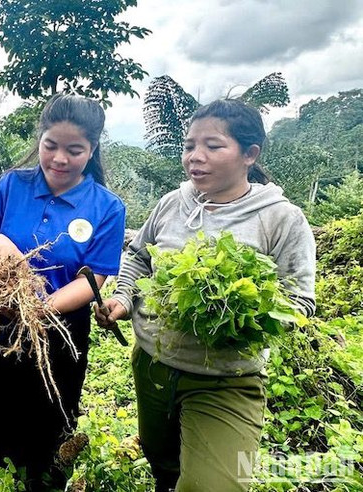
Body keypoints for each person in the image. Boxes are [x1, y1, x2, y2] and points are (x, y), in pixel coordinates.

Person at [95, 99, 316, 491]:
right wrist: (124, 298)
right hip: (153, 365)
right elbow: (138, 256)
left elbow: (299, 300)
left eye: (213, 146)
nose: (195, 158)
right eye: (189, 146)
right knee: (164, 463)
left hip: (225, 380)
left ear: (250, 154)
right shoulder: (170, 204)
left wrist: (236, 319)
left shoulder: (281, 218)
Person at [0, 93, 126, 490]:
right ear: (39, 139)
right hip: (1, 323)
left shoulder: (107, 207)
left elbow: (94, 281)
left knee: (53, 421)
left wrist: (39, 311)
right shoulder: (12, 185)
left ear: (91, 150)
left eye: (74, 150)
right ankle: (6, 481)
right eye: (50, 146)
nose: (59, 159)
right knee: (4, 418)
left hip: (61, 329)